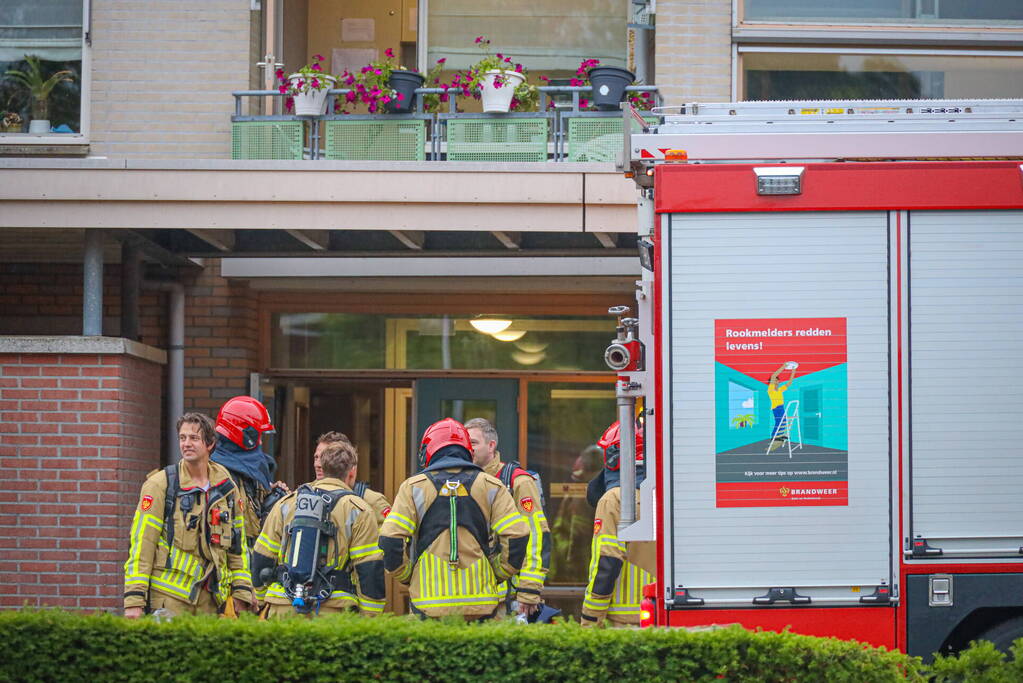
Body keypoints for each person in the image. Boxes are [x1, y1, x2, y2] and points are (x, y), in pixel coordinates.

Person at [378, 417, 529, 620]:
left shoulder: (413, 487)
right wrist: (497, 572)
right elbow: (517, 535)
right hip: (481, 606)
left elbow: (389, 538)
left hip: (428, 605)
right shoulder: (491, 485)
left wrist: (409, 576)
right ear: (467, 449)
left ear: (429, 449)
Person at [123, 412, 254, 618]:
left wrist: (242, 590)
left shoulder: (227, 488)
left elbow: (238, 546)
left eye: (194, 438)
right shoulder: (160, 485)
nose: (186, 444)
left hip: (211, 602)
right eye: (183, 438)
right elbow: (142, 545)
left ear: (210, 444)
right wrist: (134, 600)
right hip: (168, 599)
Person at [252, 440, 386, 617]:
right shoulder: (358, 510)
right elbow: (369, 568)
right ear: (351, 471)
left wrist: (261, 600)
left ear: (322, 466)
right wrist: (370, 617)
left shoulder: (287, 503)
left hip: (282, 607)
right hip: (333, 611)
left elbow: (262, 556)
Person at [464, 417, 550, 619]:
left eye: (474, 443)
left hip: (509, 600)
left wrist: (529, 589)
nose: (468, 449)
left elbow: (537, 535)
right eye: (465, 444)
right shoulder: (461, 480)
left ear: (491, 445)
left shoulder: (517, 481)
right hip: (472, 597)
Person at [580, 420, 656, 627]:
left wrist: (591, 616)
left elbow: (606, 561)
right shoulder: (669, 495)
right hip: (664, 612)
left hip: (625, 618)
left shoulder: (614, 499)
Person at [210, 396, 287, 545]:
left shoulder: (252, 474)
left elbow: (254, 518)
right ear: (242, 433)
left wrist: (273, 501)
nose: (260, 442)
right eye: (257, 435)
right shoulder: (215, 474)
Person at [314, 431, 391, 525]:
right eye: (316, 457)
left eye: (325, 458)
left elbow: (387, 536)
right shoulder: (305, 493)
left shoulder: (373, 501)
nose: (317, 464)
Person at [767, 363, 797, 451]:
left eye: (778, 380)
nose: (777, 381)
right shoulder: (770, 389)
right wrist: (784, 366)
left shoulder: (780, 390)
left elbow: (789, 383)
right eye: (775, 380)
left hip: (782, 407)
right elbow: (773, 375)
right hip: (776, 408)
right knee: (778, 422)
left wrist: (793, 370)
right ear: (772, 382)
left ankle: (779, 436)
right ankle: (774, 437)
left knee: (783, 422)